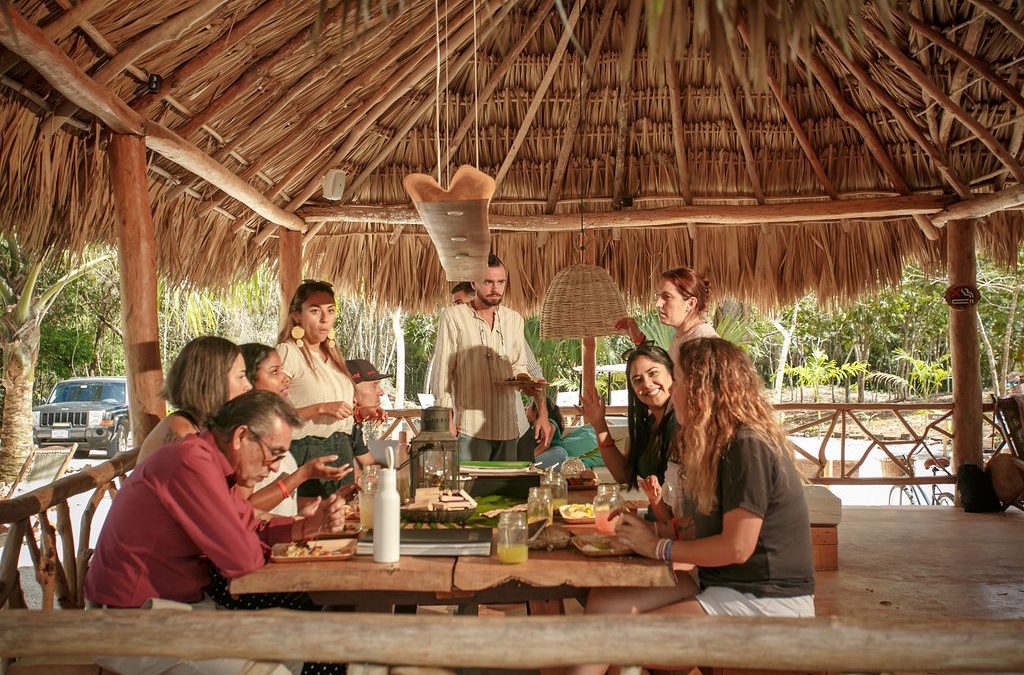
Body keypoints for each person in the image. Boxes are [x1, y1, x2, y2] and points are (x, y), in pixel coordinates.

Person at [569, 338, 814, 675]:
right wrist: (654, 528)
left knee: (614, 639)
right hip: (716, 581)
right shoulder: (715, 445)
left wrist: (658, 546)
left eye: (680, 380)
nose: (674, 390)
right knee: (603, 603)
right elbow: (692, 528)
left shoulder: (747, 446)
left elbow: (738, 547)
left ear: (703, 388)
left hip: (763, 599)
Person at [86, 391, 348, 674]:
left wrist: (306, 526)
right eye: (274, 454)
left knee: (307, 645)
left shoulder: (210, 464)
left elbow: (250, 526)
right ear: (241, 437)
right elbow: (243, 561)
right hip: (134, 622)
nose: (274, 467)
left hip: (180, 610)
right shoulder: (191, 461)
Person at [429, 254, 553, 461]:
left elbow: (518, 365)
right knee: (469, 491)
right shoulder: (453, 317)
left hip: (509, 428)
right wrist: (446, 420)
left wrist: (525, 381)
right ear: (474, 282)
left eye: (500, 282)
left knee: (505, 491)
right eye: (488, 282)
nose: (495, 288)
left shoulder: (514, 319)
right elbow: (443, 372)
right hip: (469, 427)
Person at [277, 280, 370, 500]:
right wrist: (320, 408)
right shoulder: (288, 353)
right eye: (315, 311)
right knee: (311, 524)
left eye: (330, 311)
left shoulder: (333, 357)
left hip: (342, 448)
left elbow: (336, 412)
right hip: (306, 452)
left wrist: (360, 413)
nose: (325, 319)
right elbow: (272, 415)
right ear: (296, 316)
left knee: (344, 520)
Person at [240, 343, 351, 517]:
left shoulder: (270, 428)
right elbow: (242, 510)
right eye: (275, 372)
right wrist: (302, 475)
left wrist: (318, 507)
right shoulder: (245, 435)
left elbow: (282, 505)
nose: (286, 378)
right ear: (247, 379)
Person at [137, 336, 252, 464]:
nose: (248, 386)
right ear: (213, 381)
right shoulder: (184, 437)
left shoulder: (196, 425)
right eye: (241, 376)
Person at [581, 342, 676, 488]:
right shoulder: (648, 424)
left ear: (672, 373)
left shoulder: (680, 422)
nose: (647, 383)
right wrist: (599, 424)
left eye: (653, 373)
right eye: (638, 380)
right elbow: (624, 475)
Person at [617, 266, 718, 356]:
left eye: (667, 296)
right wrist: (638, 337)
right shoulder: (684, 336)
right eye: (659, 296)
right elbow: (665, 370)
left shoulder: (703, 343)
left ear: (690, 303)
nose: (658, 304)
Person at [346, 357, 391, 460]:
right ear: (351, 391)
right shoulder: (334, 426)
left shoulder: (354, 424)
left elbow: (368, 464)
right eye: (374, 386)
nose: (381, 392)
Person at [523, 397, 568, 469]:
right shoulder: (531, 426)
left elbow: (545, 444)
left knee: (525, 466)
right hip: (544, 454)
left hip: (555, 454)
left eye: (530, 405)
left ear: (536, 410)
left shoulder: (549, 423)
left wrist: (527, 459)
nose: (527, 408)